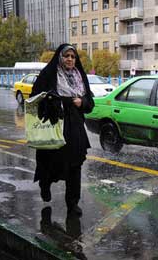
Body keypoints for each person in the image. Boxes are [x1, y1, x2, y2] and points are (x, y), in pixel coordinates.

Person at [30, 44, 94, 215]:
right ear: (60, 57)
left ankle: (72, 203)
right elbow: (34, 100)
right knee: (51, 163)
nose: (70, 59)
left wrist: (83, 102)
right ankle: (45, 184)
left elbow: (90, 104)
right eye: (67, 56)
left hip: (74, 129)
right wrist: (52, 102)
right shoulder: (48, 74)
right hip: (52, 126)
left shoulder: (80, 77)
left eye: (73, 56)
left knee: (75, 165)